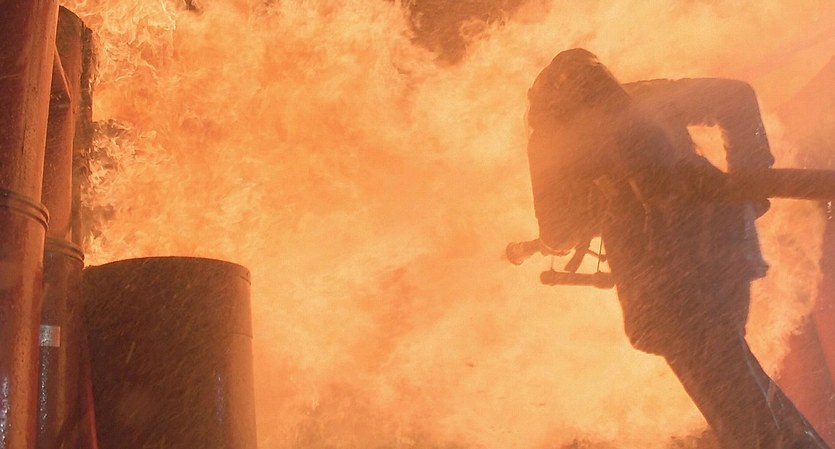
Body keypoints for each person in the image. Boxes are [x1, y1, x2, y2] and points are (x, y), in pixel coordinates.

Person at [523, 48, 829, 449]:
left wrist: (600, 205)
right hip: (721, 245)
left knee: (735, 403)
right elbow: (736, 95)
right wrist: (749, 180)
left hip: (663, 281)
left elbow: (558, 231)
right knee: (737, 382)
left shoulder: (551, 138)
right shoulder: (647, 96)